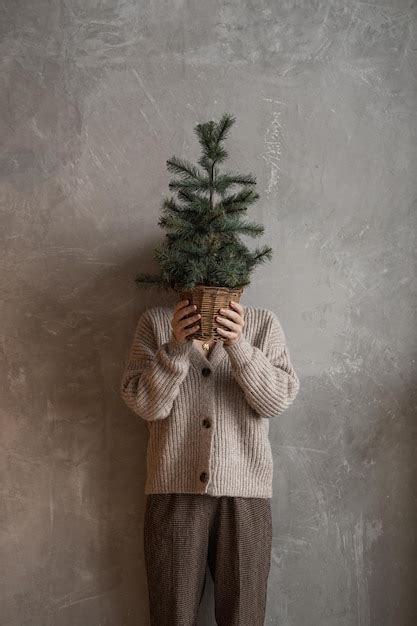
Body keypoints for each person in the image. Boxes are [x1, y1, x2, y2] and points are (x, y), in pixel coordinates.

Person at [120, 298, 300, 625]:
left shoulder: (262, 324)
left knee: (244, 617)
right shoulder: (157, 322)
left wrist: (239, 346)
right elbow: (145, 404)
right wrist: (174, 348)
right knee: (171, 616)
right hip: (173, 491)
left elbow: (276, 401)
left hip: (246, 495)